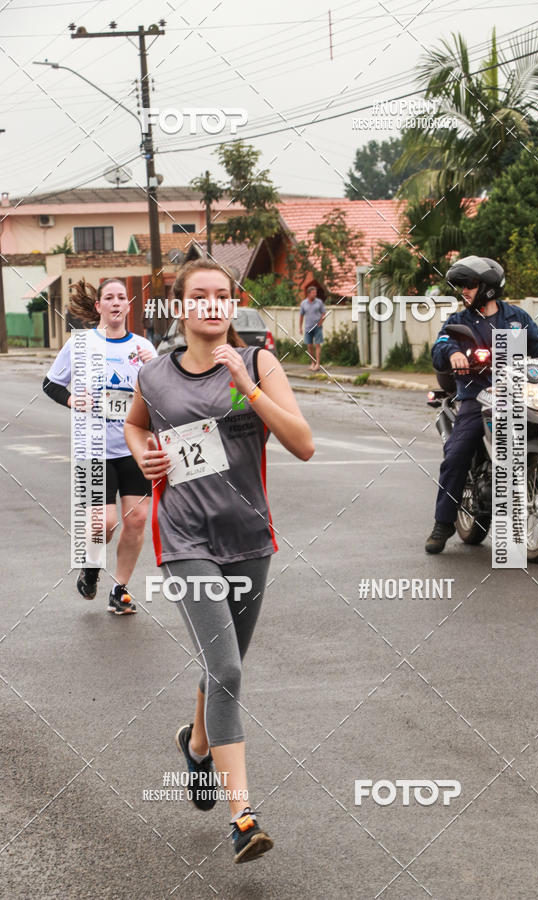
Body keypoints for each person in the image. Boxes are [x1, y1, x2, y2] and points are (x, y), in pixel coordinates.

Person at [124, 258, 314, 863]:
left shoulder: (257, 363)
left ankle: (198, 745)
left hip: (249, 538)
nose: (211, 303)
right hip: (184, 539)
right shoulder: (156, 375)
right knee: (227, 669)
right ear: (181, 307)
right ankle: (243, 817)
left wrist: (247, 385)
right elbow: (135, 427)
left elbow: (303, 444)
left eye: (222, 295)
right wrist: (144, 456)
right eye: (199, 295)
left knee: (221, 667)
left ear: (232, 305)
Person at [425, 255, 538, 554]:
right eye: (462, 286)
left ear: (488, 287)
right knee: (457, 454)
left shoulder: (516, 318)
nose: (464, 291)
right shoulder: (459, 322)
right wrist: (453, 354)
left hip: (518, 394)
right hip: (476, 396)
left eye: (470, 285)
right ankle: (443, 523)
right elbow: (441, 345)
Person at [43, 277, 157, 611]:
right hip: (92, 449)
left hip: (134, 446)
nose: (116, 302)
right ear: (99, 306)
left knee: (136, 520)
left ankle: (120, 590)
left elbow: (165, 393)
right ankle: (91, 568)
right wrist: (72, 400)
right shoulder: (80, 344)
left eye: (122, 297)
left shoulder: (144, 347)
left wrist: (154, 369)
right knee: (103, 523)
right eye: (109, 297)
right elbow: (51, 384)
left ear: (128, 305)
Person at [299, 285, 326, 370]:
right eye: (313, 293)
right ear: (308, 294)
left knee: (317, 345)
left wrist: (321, 322)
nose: (315, 294)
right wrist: (300, 327)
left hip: (317, 327)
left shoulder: (319, 302)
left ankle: (318, 363)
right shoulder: (303, 303)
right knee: (309, 346)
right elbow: (301, 316)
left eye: (315, 293)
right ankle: (312, 363)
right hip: (308, 327)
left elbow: (324, 313)